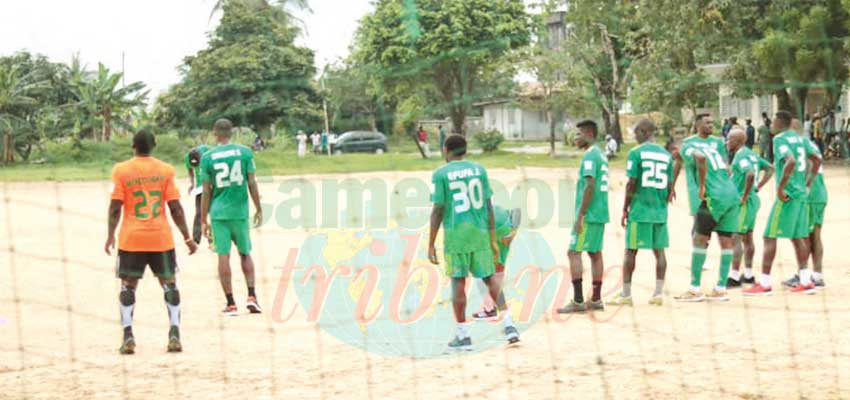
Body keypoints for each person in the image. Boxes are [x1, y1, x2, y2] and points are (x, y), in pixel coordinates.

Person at [105, 129, 198, 354]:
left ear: (133, 146)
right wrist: (187, 237)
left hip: (131, 240)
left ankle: (128, 335)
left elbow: (116, 206)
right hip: (161, 239)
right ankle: (174, 332)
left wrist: (110, 235)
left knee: (128, 286)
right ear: (154, 145)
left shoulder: (121, 170)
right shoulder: (165, 170)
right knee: (170, 284)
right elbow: (175, 207)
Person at [428, 134, 518, 350]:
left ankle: (463, 335)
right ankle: (509, 325)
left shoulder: (440, 174)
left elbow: (438, 210)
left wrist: (431, 242)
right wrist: (492, 238)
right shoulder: (480, 170)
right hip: (480, 234)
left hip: (457, 237)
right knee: (490, 278)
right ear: (465, 149)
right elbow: (488, 205)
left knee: (458, 282)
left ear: (446, 150)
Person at [744, 111, 822, 296]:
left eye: (773, 121)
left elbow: (791, 161)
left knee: (769, 236)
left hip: (788, 195)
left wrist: (780, 188)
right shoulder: (801, 138)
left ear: (780, 122)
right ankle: (805, 280)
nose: (771, 124)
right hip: (802, 194)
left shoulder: (780, 139)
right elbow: (817, 159)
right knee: (798, 237)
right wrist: (808, 182)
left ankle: (764, 283)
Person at [670, 113, 739, 302]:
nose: (712, 125)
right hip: (731, 194)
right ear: (697, 125)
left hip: (712, 196)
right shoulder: (711, 144)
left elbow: (699, 158)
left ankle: (694, 289)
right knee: (726, 240)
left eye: (712, 122)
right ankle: (720, 288)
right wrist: (672, 185)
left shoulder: (688, 145)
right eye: (707, 122)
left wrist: (702, 185)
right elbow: (726, 167)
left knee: (699, 239)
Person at [200, 119, 264, 315]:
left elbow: (206, 191)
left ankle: (231, 303)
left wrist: (203, 219)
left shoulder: (207, 157)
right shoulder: (245, 152)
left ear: (214, 132)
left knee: (223, 255)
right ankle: (252, 296)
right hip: (240, 212)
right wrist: (258, 208)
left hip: (219, 213)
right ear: (232, 132)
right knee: (245, 253)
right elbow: (251, 183)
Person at [607, 119, 671, 306]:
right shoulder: (666, 154)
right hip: (659, 211)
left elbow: (631, 182)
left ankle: (626, 295)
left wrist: (625, 208)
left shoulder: (636, 153)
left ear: (644, 131)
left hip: (640, 210)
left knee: (630, 251)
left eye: (636, 132)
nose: (634, 136)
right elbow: (669, 185)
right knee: (659, 252)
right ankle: (658, 293)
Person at [557, 120, 609, 313]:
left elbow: (589, 185)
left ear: (588, 134)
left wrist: (580, 214)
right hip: (601, 212)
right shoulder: (601, 154)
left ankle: (578, 300)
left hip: (589, 214)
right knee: (595, 253)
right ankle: (596, 299)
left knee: (573, 252)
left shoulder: (589, 156)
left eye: (578, 134)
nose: (575, 137)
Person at [782, 120, 828, 289]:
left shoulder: (801, 145)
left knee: (808, 235)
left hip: (811, 196)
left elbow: (810, 166)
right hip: (817, 194)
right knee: (809, 235)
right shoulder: (808, 144)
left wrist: (806, 186)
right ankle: (810, 274)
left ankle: (812, 276)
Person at [725, 128, 773, 288]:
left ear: (737, 141)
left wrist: (745, 195)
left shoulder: (743, 156)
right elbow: (770, 168)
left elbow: (750, 174)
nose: (727, 142)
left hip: (744, 202)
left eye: (729, 139)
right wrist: (757, 188)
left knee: (736, 237)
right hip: (752, 200)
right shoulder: (750, 153)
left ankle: (733, 276)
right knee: (748, 237)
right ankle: (749, 274)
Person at [471, 205, 522, 345]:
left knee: (486, 276)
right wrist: (514, 231)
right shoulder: (499, 210)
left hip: (490, 238)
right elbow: (517, 210)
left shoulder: (474, 218)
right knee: (494, 278)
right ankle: (492, 310)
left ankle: (508, 324)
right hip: (504, 236)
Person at [185, 144, 210, 244]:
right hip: (200, 188)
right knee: (199, 212)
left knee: (213, 213)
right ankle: (196, 239)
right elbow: (190, 170)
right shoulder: (187, 158)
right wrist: (192, 183)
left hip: (211, 185)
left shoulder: (208, 151)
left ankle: (213, 240)